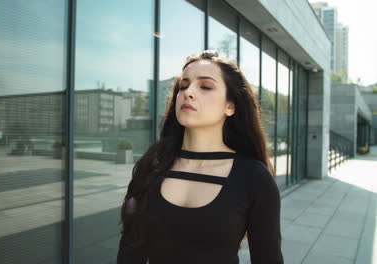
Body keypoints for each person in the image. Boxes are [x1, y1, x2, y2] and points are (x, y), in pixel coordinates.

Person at [117, 50, 283, 264]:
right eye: (183, 86)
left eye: (205, 86)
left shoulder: (254, 177)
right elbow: (129, 251)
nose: (188, 92)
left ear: (230, 106)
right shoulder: (152, 166)